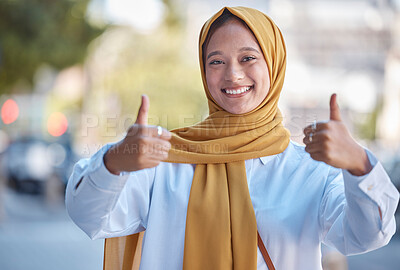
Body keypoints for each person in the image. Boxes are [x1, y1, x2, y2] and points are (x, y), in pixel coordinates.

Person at [66, 6, 399, 270]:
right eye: (216, 61)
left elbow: (366, 236)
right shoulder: (166, 162)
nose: (233, 74)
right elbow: (91, 217)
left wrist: (359, 164)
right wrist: (113, 162)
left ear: (274, 63)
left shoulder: (308, 172)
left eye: (248, 58)